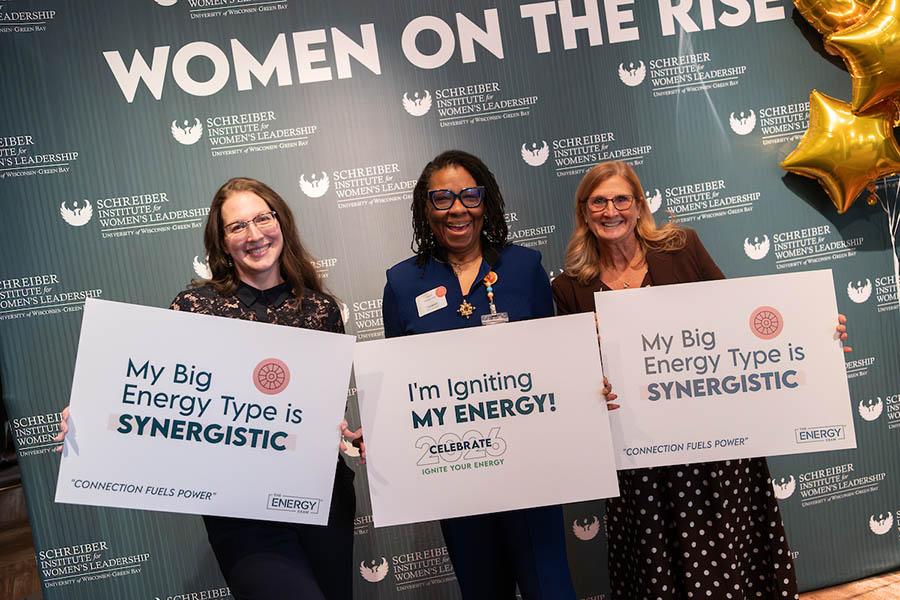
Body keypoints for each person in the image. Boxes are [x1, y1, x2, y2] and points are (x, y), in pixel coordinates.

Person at [552, 161, 849, 600]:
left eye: (621, 199)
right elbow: (577, 378)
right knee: (656, 562)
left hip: (716, 447)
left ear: (638, 206)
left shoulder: (681, 248)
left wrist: (814, 336)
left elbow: (735, 321)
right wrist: (594, 383)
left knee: (729, 554)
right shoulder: (570, 287)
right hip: (641, 457)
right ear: (584, 211)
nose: (610, 210)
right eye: (599, 201)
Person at [58, 177, 362, 600]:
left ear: (281, 223)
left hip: (320, 498)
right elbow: (153, 392)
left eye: (262, 219)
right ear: (222, 242)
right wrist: (93, 414)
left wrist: (339, 430)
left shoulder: (320, 309)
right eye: (238, 226)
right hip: (240, 511)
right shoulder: (195, 307)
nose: (254, 235)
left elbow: (319, 409)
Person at [381, 150, 577, 600]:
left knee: (551, 589)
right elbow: (397, 387)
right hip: (457, 474)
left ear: (485, 202)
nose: (457, 208)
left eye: (469, 194)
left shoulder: (525, 267)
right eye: (442, 198)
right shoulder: (402, 283)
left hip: (531, 470)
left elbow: (553, 364)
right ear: (424, 208)